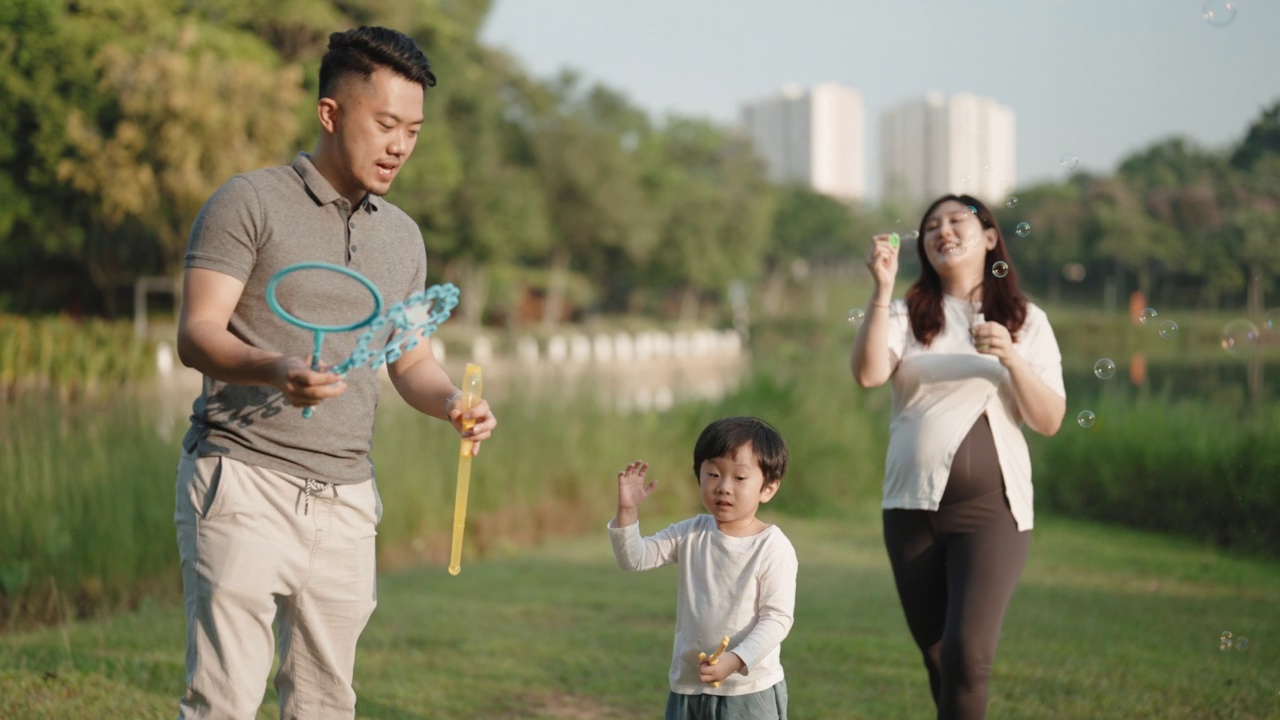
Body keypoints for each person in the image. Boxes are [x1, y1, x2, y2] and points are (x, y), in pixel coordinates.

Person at [173, 26, 497, 719]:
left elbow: (411, 362)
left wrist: (452, 406)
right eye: (386, 124)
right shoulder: (248, 202)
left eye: (412, 130)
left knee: (326, 704)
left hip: (348, 501)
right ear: (330, 113)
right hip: (243, 480)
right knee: (224, 700)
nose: (400, 145)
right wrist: (276, 367)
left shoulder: (403, 236)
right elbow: (198, 334)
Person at [850, 194, 1065, 720]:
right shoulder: (905, 313)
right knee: (940, 658)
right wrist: (881, 291)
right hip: (909, 510)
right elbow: (869, 373)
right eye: (929, 227)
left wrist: (1011, 356)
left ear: (990, 236)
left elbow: (1049, 420)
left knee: (969, 658)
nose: (941, 231)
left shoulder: (1025, 319)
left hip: (994, 513)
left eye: (955, 221)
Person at [609, 416, 797, 720]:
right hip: (688, 688)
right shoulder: (690, 533)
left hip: (748, 692)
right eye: (713, 473)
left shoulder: (772, 547)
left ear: (768, 488)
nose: (723, 487)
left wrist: (735, 660)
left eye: (739, 478)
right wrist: (627, 512)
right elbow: (634, 558)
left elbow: (777, 619)